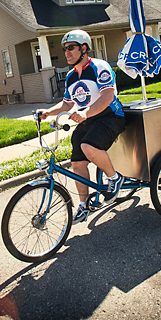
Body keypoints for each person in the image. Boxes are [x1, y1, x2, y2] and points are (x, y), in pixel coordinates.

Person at [39, 29, 125, 224]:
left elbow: (107, 96)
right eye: (65, 49)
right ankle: (83, 205)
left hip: (110, 116)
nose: (67, 52)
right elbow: (68, 104)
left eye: (71, 48)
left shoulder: (99, 67)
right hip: (90, 120)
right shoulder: (71, 76)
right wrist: (48, 112)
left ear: (84, 48)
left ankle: (114, 178)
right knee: (77, 163)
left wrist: (85, 113)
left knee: (88, 146)